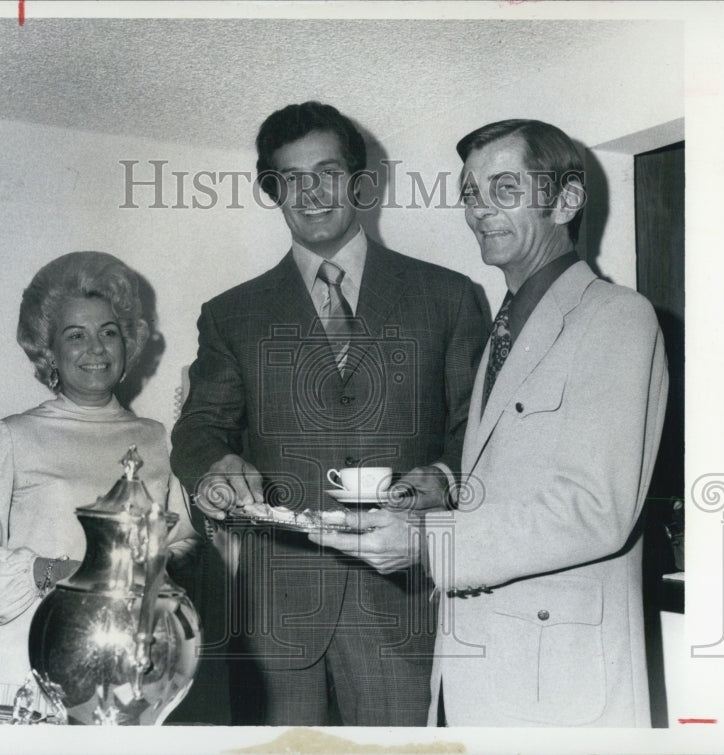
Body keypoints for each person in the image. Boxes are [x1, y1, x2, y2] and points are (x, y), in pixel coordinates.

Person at [314, 119, 669, 727]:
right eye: (471, 192)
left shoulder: (618, 318)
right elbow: (521, 470)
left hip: (559, 687)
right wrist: (444, 483)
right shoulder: (509, 326)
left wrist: (429, 541)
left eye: (504, 188)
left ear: (566, 201)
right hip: (476, 672)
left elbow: (595, 510)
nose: (479, 210)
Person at [169, 101, 487, 726]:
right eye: (290, 178)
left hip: (402, 605)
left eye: (328, 172)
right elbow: (199, 428)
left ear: (361, 181)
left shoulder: (449, 298)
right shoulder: (232, 315)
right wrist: (213, 465)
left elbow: (475, 433)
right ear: (272, 191)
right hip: (273, 618)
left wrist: (444, 480)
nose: (310, 192)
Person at [0, 251, 198, 712]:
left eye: (108, 333)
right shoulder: (13, 436)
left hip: (128, 677)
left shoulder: (155, 439)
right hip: (31, 672)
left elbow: (181, 543)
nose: (95, 349)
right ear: (49, 351)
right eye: (75, 335)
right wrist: (50, 573)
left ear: (128, 344)